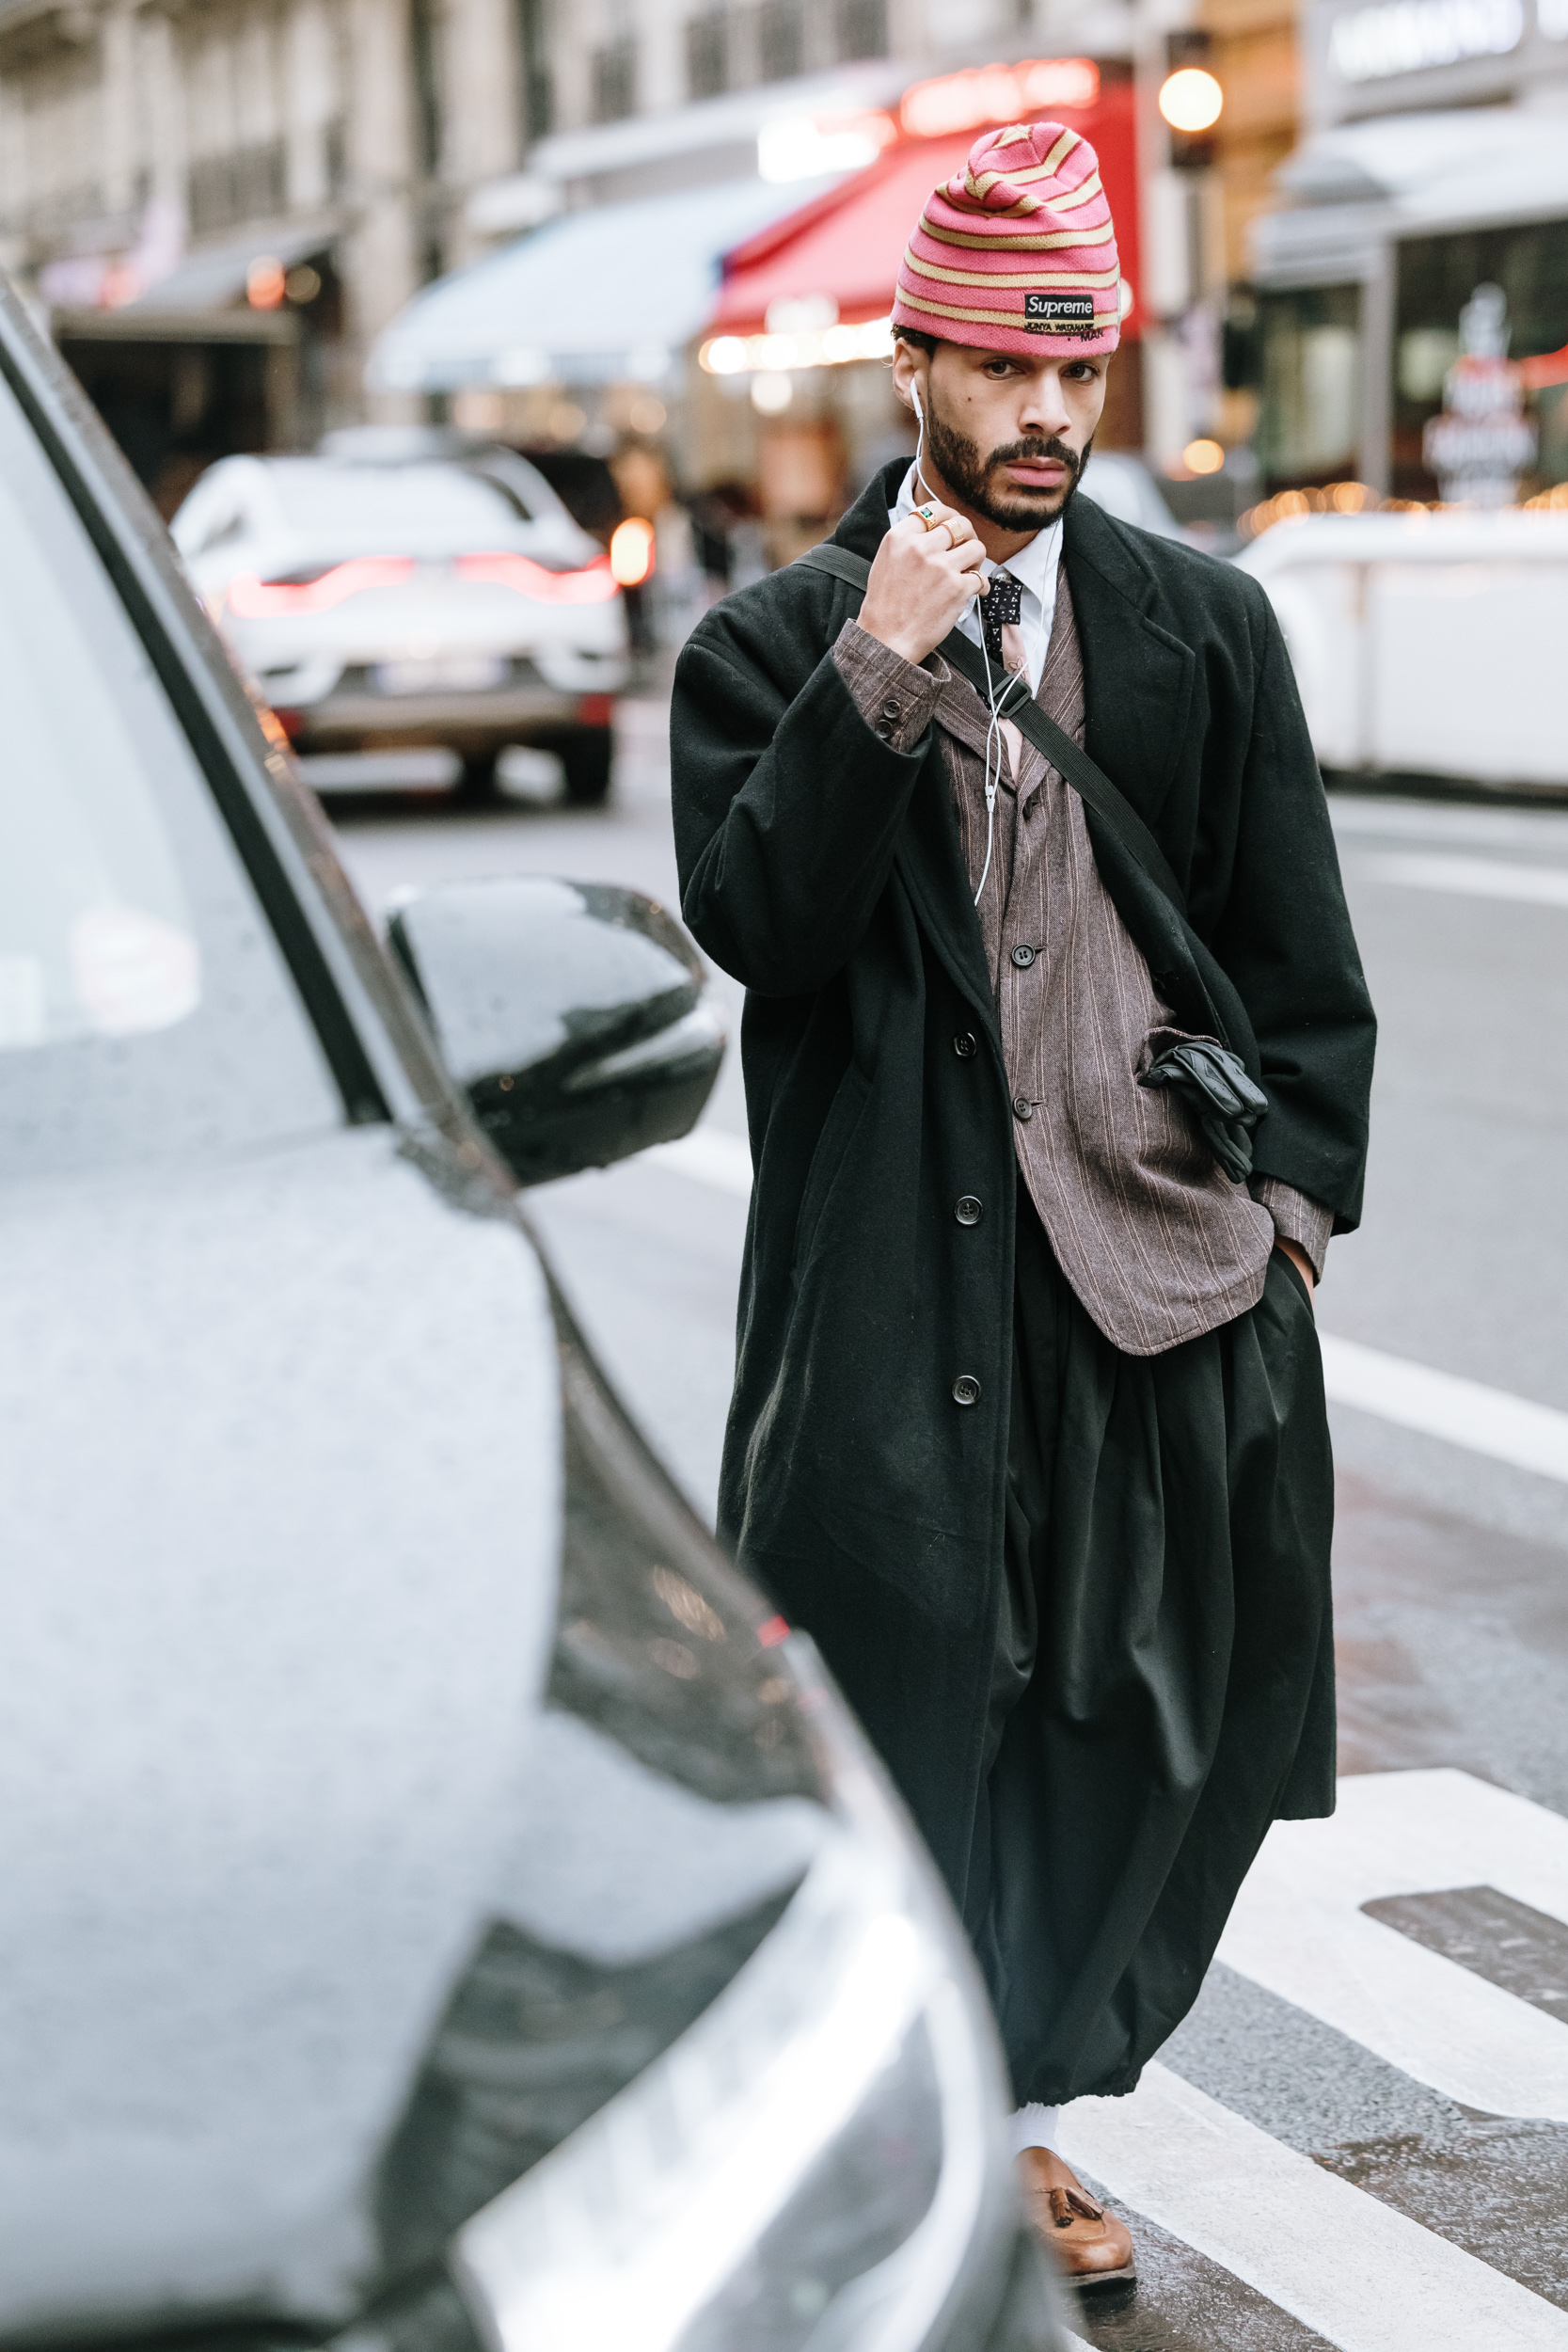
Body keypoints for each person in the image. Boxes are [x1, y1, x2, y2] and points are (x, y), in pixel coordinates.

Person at [670, 119, 1374, 2289]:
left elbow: (1300, 962)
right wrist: (877, 667)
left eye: (1081, 371)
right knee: (914, 1695)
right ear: (914, 369)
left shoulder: (1202, 630)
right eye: (1003, 371)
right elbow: (759, 922)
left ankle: (1029, 2091)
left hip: (1152, 1272)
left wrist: (1285, 1219)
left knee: (1153, 1711)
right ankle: (975, 2124)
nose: (1049, 415)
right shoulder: (767, 644)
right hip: (894, 1285)